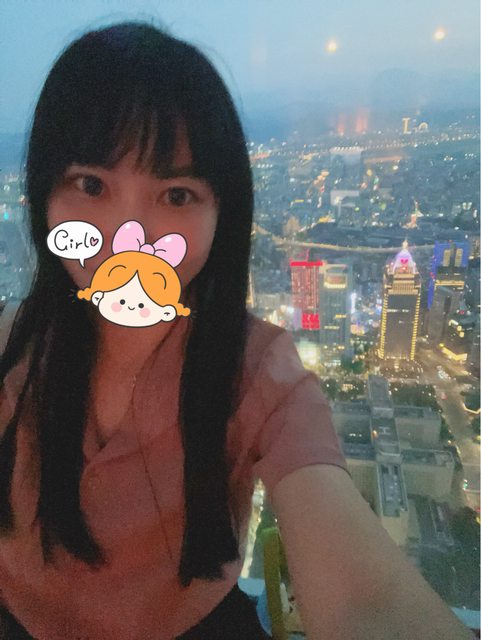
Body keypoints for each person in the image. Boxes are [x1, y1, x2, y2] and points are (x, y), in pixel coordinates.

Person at [0, 19, 350, 640]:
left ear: (222, 214)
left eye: (177, 195)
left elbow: (363, 594)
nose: (126, 238)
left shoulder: (259, 375)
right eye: (90, 185)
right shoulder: (12, 345)